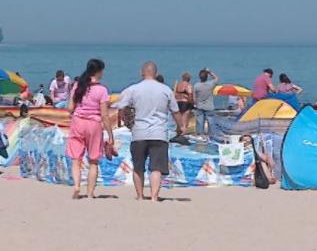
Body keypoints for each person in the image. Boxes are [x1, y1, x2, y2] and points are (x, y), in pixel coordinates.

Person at [113, 62, 179, 202]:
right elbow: (175, 111)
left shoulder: (133, 89)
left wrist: (126, 121)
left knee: (138, 167)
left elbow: (121, 106)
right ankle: (154, 196)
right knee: (156, 168)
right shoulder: (165, 90)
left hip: (139, 132)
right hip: (159, 133)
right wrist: (181, 126)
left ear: (142, 73)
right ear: (156, 73)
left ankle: (140, 196)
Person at [67, 59, 114, 200]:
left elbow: (70, 108)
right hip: (94, 124)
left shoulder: (78, 85)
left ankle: (76, 186)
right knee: (94, 161)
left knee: (76, 158)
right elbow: (104, 115)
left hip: (78, 122)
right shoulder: (102, 90)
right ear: (99, 72)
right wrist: (110, 134)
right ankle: (90, 193)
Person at [192, 68, 219, 135]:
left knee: (200, 122)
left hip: (200, 106)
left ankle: (200, 135)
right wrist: (210, 72)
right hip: (209, 106)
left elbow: (194, 98)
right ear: (207, 77)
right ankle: (211, 135)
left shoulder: (196, 85)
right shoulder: (210, 84)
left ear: (199, 77)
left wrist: (195, 104)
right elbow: (216, 78)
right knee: (211, 122)